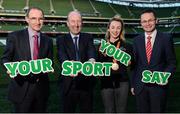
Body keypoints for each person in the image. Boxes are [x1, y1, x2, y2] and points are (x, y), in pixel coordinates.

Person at [1, 7, 53, 112]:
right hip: (21, 88)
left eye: (40, 19)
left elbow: (49, 60)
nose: (38, 22)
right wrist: (10, 68)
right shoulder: (14, 36)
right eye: (33, 18)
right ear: (27, 19)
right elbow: (5, 58)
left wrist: (48, 68)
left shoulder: (48, 40)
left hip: (41, 90)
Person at [130, 9, 176, 112]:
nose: (147, 23)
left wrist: (164, 76)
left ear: (156, 21)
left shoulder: (166, 38)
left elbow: (172, 62)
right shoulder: (136, 40)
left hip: (158, 87)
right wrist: (133, 85)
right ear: (141, 23)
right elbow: (134, 65)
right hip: (140, 86)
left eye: (150, 20)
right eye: (144, 21)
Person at [56, 10, 96, 113]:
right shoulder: (61, 39)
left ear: (82, 23)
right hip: (68, 84)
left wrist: (91, 61)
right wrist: (68, 65)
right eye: (73, 21)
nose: (76, 25)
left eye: (79, 21)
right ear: (68, 23)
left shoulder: (88, 37)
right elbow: (61, 55)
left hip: (86, 83)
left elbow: (91, 51)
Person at [98, 15, 133, 113]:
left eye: (118, 28)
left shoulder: (128, 46)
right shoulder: (102, 46)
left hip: (122, 82)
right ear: (108, 29)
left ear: (121, 30)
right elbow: (97, 65)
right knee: (109, 110)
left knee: (121, 111)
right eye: (113, 27)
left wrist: (128, 61)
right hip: (106, 81)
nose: (115, 30)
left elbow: (131, 64)